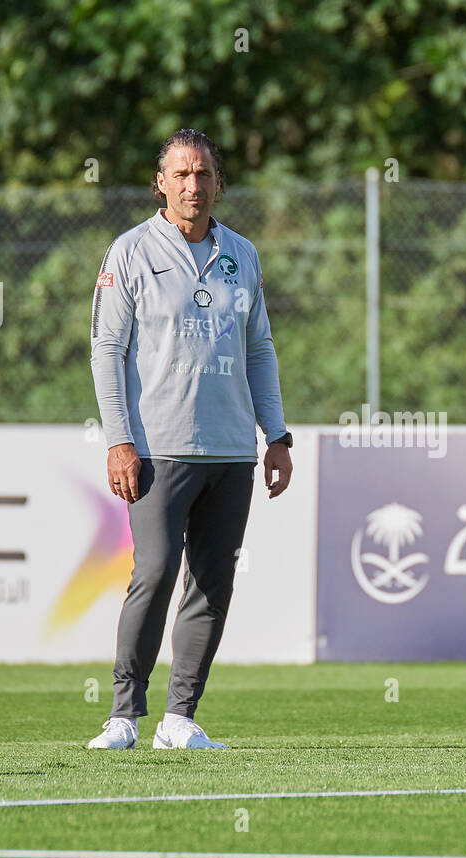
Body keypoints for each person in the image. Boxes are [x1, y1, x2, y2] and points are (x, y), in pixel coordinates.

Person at [87, 128, 293, 750]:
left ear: (218, 183)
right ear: (160, 183)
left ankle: (180, 718)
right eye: (180, 174)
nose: (192, 186)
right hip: (157, 448)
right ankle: (124, 714)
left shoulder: (243, 255)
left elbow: (259, 348)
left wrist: (276, 435)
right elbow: (106, 350)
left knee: (212, 580)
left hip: (231, 449)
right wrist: (119, 441)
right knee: (153, 571)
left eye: (202, 174)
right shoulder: (129, 253)